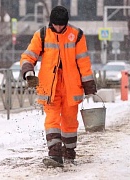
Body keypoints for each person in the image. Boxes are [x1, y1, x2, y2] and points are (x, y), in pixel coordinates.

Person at [20, 5, 97, 167]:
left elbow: (83, 61)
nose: (59, 27)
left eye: (62, 25)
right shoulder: (42, 34)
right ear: (51, 22)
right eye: (56, 24)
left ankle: (69, 152)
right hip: (49, 86)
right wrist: (28, 70)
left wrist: (89, 84)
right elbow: (29, 55)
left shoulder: (76, 35)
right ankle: (55, 154)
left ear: (66, 23)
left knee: (69, 121)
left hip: (71, 85)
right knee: (52, 119)